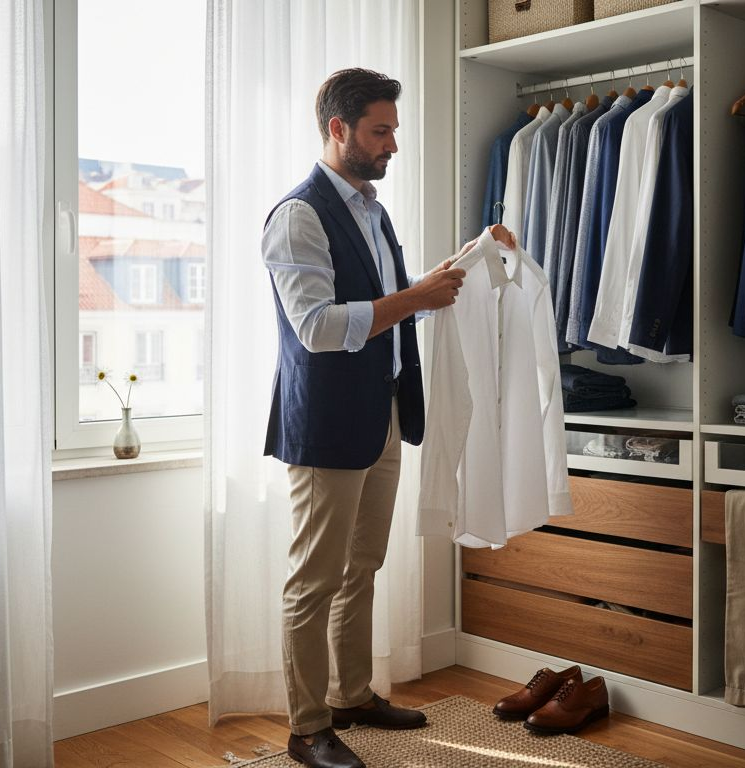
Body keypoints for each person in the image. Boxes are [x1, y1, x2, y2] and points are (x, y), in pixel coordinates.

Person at [261, 67, 465, 768]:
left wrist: (440, 279)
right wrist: (417, 298)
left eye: (394, 131)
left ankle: (351, 696)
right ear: (338, 129)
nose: (392, 145)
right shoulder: (298, 215)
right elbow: (317, 326)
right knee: (313, 579)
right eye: (381, 131)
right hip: (325, 425)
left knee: (363, 566)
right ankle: (306, 727)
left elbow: (385, 303)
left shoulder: (371, 211)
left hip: (380, 413)